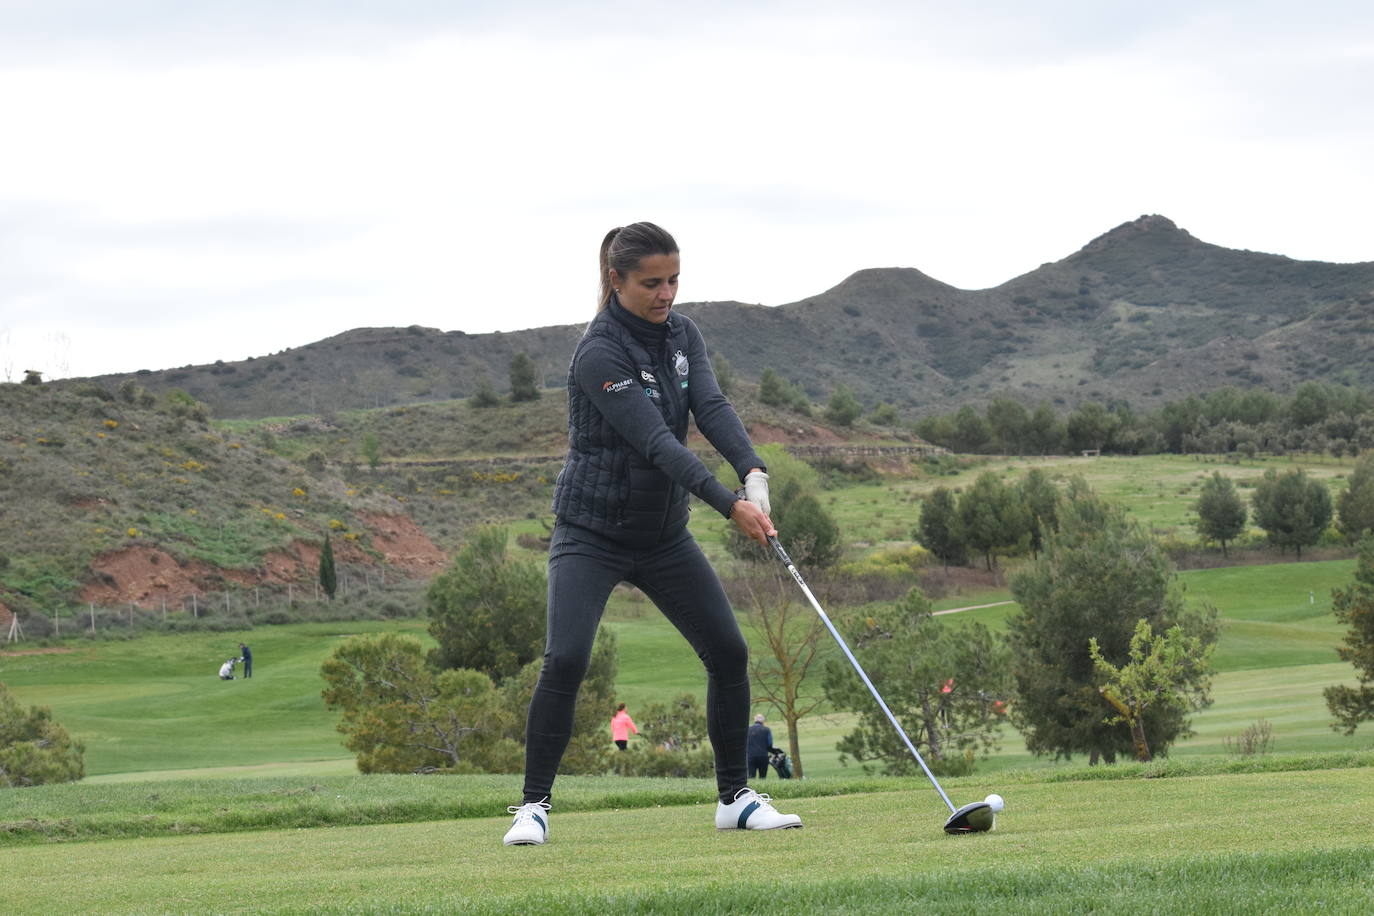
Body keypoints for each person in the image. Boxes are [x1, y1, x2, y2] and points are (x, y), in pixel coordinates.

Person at [503, 222, 802, 847]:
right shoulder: (598, 353)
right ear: (616, 280)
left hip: (662, 535)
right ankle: (532, 807)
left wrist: (753, 470)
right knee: (567, 658)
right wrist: (729, 506)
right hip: (591, 533)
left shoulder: (682, 333)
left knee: (729, 652)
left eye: (673, 280)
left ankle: (734, 799)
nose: (665, 294)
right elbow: (657, 442)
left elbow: (710, 408)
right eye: (651, 283)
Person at [747, 713, 773, 780]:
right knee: (762, 776)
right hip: (763, 755)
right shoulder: (767, 730)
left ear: (754, 720)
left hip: (750, 756)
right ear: (763, 720)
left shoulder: (748, 730)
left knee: (751, 776)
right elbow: (769, 743)